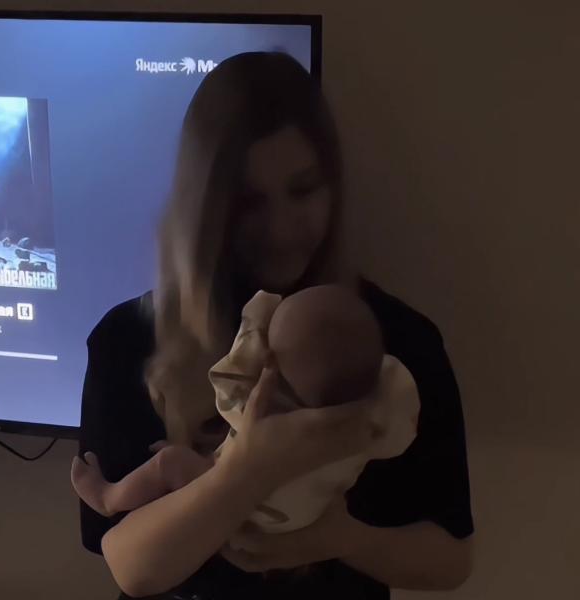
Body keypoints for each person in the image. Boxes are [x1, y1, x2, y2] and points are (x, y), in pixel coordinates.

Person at [79, 52, 474, 600]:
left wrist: (341, 539)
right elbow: (127, 564)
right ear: (206, 207)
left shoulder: (394, 343)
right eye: (249, 202)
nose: (281, 229)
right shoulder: (127, 340)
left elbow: (451, 559)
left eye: (304, 190)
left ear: (334, 186)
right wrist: (247, 472)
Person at [73, 285, 419, 537]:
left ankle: (108, 497)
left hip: (255, 509)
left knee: (169, 463)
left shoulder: (271, 416)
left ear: (273, 364)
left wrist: (255, 324)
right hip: (302, 512)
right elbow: (401, 431)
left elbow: (225, 386)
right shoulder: (366, 423)